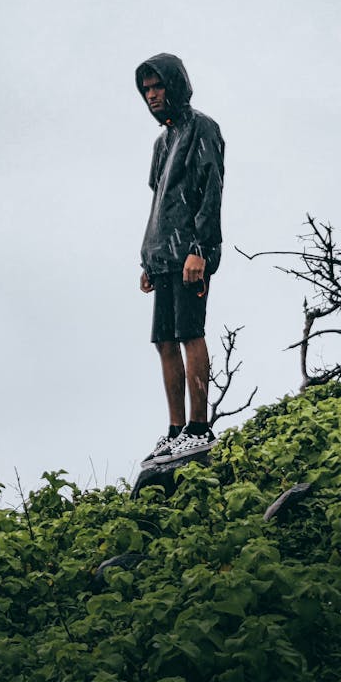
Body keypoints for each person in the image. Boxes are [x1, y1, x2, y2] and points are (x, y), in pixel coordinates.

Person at [135, 53, 225, 466]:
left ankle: (199, 428)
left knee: (191, 333)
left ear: (175, 84)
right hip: (162, 255)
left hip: (190, 255)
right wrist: (148, 258)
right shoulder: (163, 141)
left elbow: (211, 192)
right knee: (164, 342)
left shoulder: (202, 129)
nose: (152, 95)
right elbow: (159, 201)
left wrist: (200, 251)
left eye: (158, 86)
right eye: (147, 89)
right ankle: (175, 432)